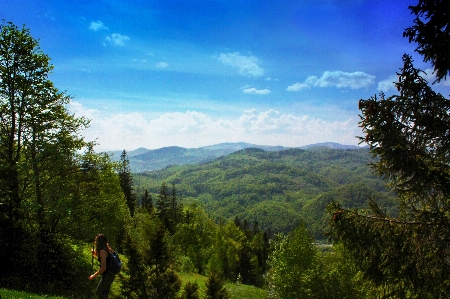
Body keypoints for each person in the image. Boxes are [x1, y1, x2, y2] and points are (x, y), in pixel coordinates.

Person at [89, 234, 116, 299]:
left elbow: (103, 268)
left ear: (99, 242)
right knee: (102, 293)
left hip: (108, 275)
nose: (95, 242)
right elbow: (104, 258)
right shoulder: (106, 249)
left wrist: (93, 275)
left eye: (96, 241)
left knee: (102, 293)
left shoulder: (103, 252)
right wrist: (95, 253)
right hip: (109, 275)